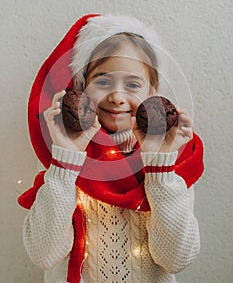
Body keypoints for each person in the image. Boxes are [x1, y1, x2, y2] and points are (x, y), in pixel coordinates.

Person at [18, 14, 204, 283]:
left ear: (154, 92)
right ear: (82, 88)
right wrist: (65, 161)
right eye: (103, 82)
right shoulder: (61, 154)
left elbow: (177, 259)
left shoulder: (174, 157)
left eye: (132, 84)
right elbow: (44, 254)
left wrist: (159, 165)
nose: (117, 96)